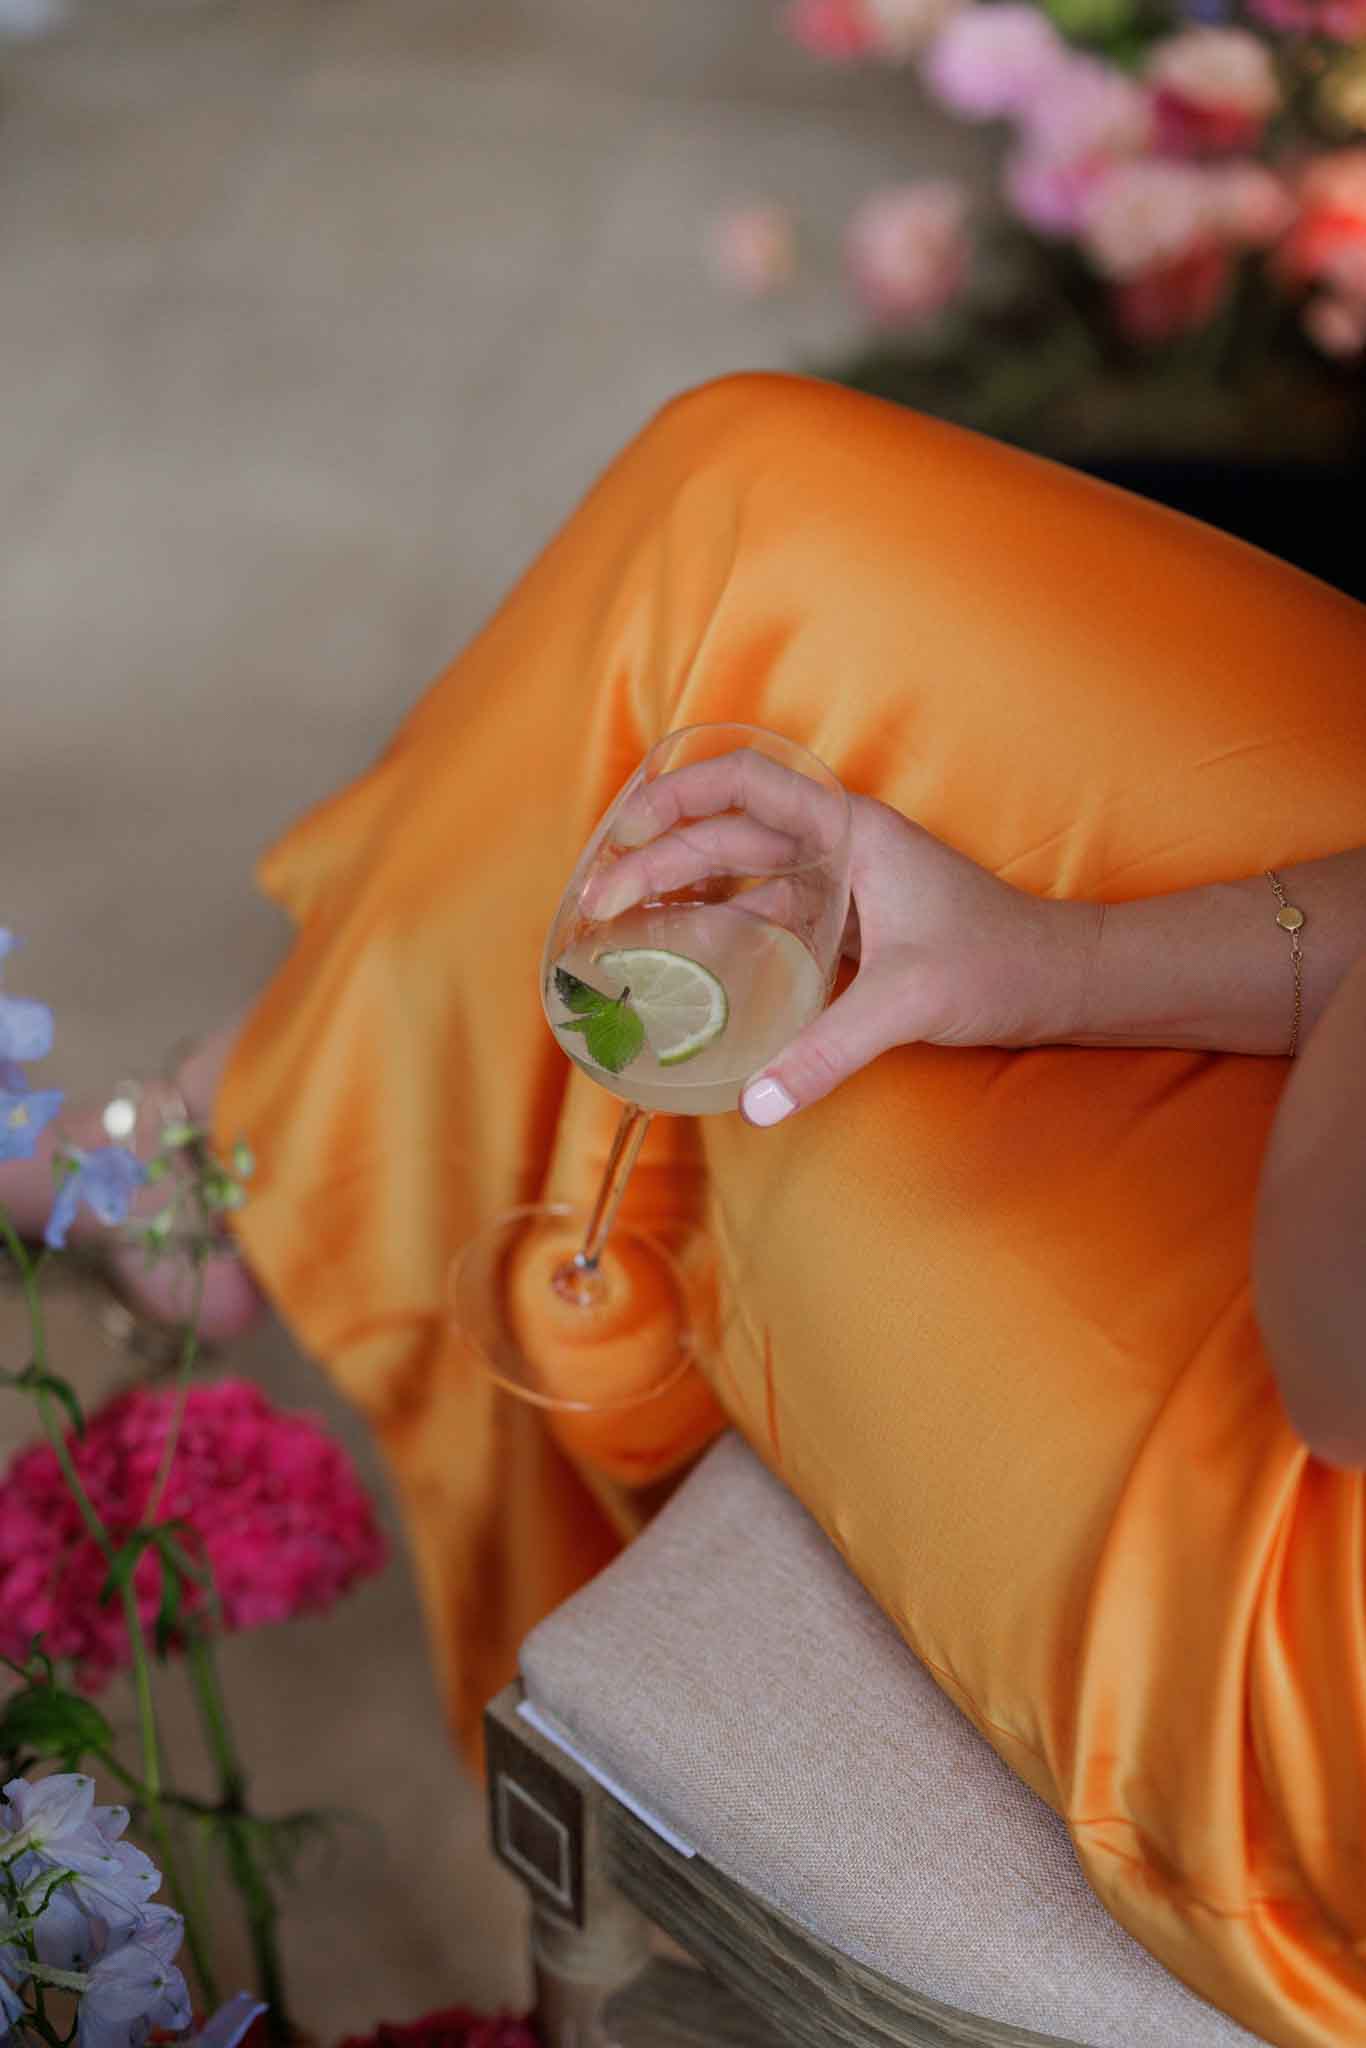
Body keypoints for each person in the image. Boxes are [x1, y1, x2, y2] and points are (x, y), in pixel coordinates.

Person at [3, 374, 1364, 2046]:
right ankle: (232, 1137)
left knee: (746, 1018)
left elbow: (1339, 1357)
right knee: (752, 511)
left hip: (1305, 1554)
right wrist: (1056, 961)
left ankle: (239, 1165)